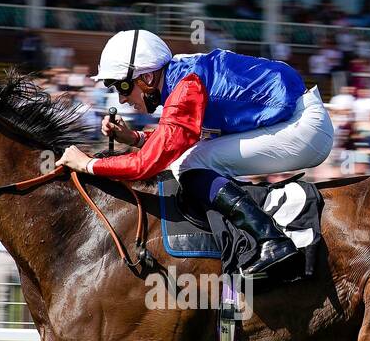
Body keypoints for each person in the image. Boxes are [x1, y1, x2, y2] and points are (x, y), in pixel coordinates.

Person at [55, 29, 334, 278]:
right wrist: (136, 137)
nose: (122, 99)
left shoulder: (185, 87)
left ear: (148, 77)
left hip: (303, 127)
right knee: (192, 159)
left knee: (191, 165)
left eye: (123, 87)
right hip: (297, 117)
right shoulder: (180, 77)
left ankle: (270, 239)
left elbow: (146, 165)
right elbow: (181, 139)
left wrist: (88, 163)